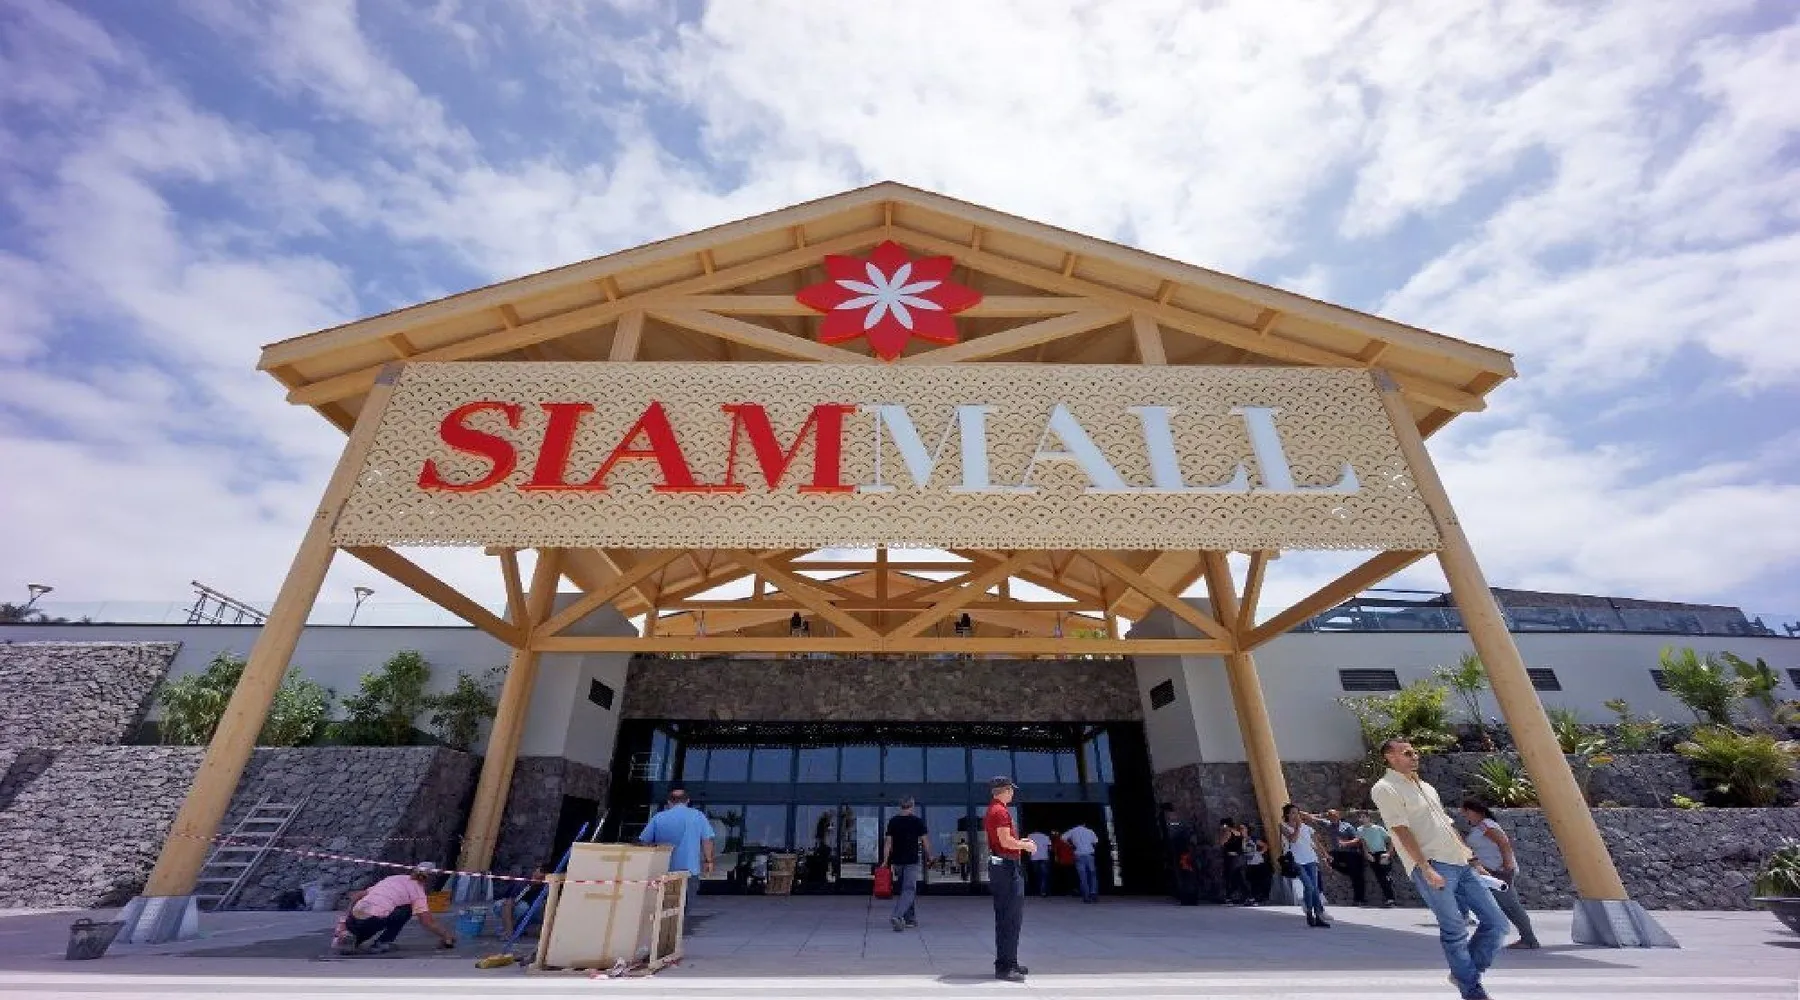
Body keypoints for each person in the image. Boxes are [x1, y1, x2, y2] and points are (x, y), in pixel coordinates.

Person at [1370, 739, 1509, 1000]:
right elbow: (1400, 830)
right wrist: (1425, 868)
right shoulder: (1385, 788)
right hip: (1433, 863)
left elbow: (1447, 825)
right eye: (1407, 753)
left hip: (1461, 863)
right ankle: (1472, 991)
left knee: (1498, 924)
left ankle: (1464, 975)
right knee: (1455, 929)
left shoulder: (1426, 787)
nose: (1415, 756)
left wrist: (1473, 860)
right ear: (1390, 757)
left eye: (1415, 752)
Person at [1461, 800, 1539, 950]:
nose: (1465, 816)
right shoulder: (1479, 827)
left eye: (1466, 812)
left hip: (1499, 871)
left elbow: (1503, 842)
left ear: (1475, 811)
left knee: (1511, 906)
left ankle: (1529, 939)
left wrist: (1507, 865)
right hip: (1490, 872)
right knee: (1502, 906)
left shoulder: (1485, 825)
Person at [638, 788, 715, 932]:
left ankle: (661, 931)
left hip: (663, 869)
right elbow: (707, 839)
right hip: (689, 870)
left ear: (669, 802)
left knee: (663, 902)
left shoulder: (659, 817)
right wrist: (708, 861)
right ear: (687, 801)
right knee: (685, 903)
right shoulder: (698, 816)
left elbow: (644, 841)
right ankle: (675, 932)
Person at [985, 776, 1036, 982]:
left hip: (1002, 865)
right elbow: (1005, 841)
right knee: (1010, 917)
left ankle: (1008, 962)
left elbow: (1004, 840)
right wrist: (1026, 845)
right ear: (1005, 790)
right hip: (1006, 867)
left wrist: (1018, 841)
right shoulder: (1000, 811)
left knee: (1007, 917)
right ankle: (1006, 967)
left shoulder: (994, 809)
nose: (1013, 793)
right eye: (1011, 790)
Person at [341, 862, 456, 954]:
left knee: (365, 922)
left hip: (353, 918)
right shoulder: (417, 891)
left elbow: (357, 895)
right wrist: (446, 936)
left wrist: (345, 920)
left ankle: (350, 936)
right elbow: (427, 921)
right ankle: (382, 943)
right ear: (430, 878)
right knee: (406, 910)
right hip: (373, 920)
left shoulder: (393, 878)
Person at [879, 797, 931, 931]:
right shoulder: (917, 821)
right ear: (912, 806)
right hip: (911, 861)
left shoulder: (893, 821)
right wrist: (929, 856)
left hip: (897, 862)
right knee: (909, 890)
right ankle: (897, 916)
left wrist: (885, 860)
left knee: (906, 890)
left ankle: (910, 919)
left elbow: (888, 843)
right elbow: (925, 841)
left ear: (900, 806)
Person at [1280, 804, 1330, 927]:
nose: (1295, 815)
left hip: (1311, 859)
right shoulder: (1283, 826)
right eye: (1292, 813)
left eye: (1297, 813)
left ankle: (1318, 915)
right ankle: (1309, 912)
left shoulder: (1307, 828)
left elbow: (1316, 843)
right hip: (1297, 861)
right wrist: (1298, 826)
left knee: (1315, 888)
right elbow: (1293, 839)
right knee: (1309, 886)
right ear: (1287, 814)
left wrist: (1325, 856)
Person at [1326, 808, 1368, 907]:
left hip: (1353, 853)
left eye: (1334, 815)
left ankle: (1359, 899)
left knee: (1357, 878)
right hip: (1340, 853)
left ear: (1338, 815)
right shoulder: (1328, 824)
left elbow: (1358, 839)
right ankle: (1349, 872)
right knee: (1329, 858)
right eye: (1330, 816)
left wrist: (1346, 843)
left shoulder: (1347, 826)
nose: (1333, 817)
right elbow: (1313, 818)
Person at [1356, 812, 1398, 907]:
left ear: (1368, 818)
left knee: (1384, 877)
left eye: (1363, 817)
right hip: (1371, 855)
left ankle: (1391, 899)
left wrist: (1388, 853)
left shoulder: (1378, 828)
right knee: (1380, 877)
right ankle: (1389, 899)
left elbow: (1391, 840)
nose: (1362, 819)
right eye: (1360, 817)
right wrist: (1367, 854)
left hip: (1382, 854)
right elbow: (1363, 842)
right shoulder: (1360, 829)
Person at [1161, 803, 1199, 905]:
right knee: (1186, 874)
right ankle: (1188, 896)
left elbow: (1176, 835)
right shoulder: (1179, 821)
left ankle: (1189, 897)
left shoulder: (1177, 822)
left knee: (1186, 874)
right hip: (1182, 850)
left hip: (1183, 851)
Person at [496, 864, 547, 937]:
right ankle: (510, 928)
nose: (540, 879)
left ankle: (518, 928)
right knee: (523, 907)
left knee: (540, 906)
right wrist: (509, 931)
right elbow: (508, 903)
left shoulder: (546, 885)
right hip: (511, 903)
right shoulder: (524, 883)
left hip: (532, 910)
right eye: (539, 877)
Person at [1061, 821, 1100, 903]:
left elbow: (1062, 838)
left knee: (1083, 876)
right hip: (1089, 854)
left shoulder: (1073, 831)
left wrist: (1071, 845)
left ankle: (1086, 896)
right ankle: (1093, 894)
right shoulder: (1090, 831)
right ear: (1084, 824)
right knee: (1092, 875)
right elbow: (1095, 842)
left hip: (1078, 854)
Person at [1218, 818, 1250, 904]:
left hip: (1231, 858)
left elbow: (1222, 843)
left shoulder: (1228, 832)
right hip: (1239, 857)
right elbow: (1243, 846)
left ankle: (1230, 897)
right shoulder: (1239, 833)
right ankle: (1245, 896)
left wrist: (1222, 834)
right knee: (1238, 877)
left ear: (1225, 825)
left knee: (1230, 877)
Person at [1242, 824, 1271, 905]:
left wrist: (1260, 853)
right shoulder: (1242, 840)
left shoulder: (1253, 839)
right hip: (1249, 863)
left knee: (1257, 881)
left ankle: (1257, 899)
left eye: (1243, 828)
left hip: (1258, 863)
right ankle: (1253, 898)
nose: (1241, 830)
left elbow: (1265, 845)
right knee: (1251, 881)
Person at [1026, 829, 1052, 897]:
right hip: (1044, 857)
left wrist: (1029, 857)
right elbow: (1049, 848)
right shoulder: (1046, 836)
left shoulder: (1030, 836)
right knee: (1044, 875)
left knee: (1036, 874)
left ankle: (1036, 890)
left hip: (1034, 858)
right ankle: (1043, 891)